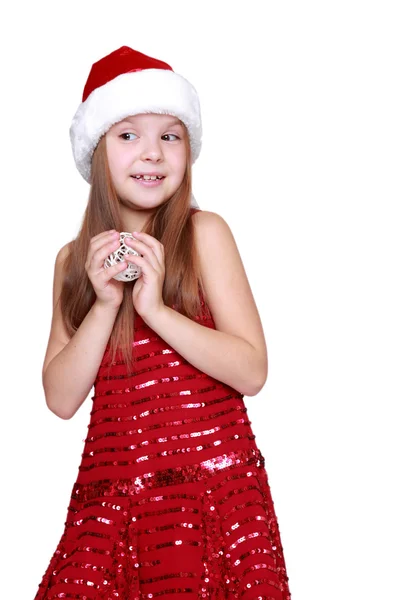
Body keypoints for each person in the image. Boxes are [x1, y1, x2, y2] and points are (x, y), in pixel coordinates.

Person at [34, 45, 291, 600]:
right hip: (113, 501)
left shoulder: (204, 235)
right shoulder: (70, 261)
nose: (151, 153)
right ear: (96, 150)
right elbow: (59, 398)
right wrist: (105, 305)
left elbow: (251, 370)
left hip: (214, 495)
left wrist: (155, 311)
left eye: (169, 136)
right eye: (128, 135)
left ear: (187, 150)